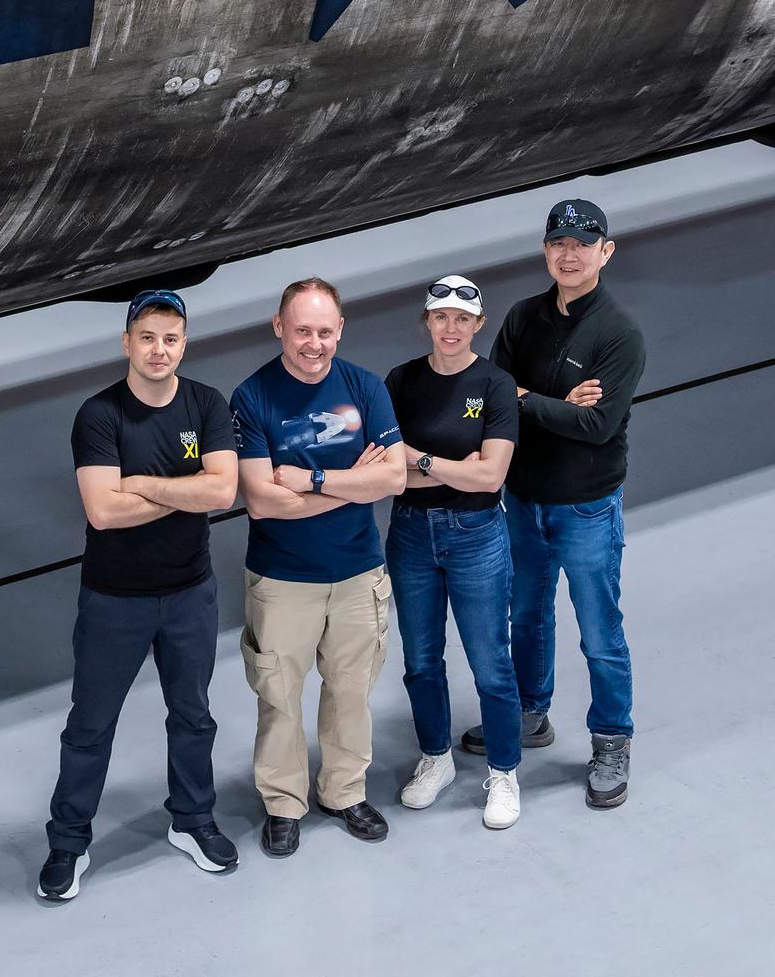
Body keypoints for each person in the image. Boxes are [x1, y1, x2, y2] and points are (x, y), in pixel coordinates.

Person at [37, 289, 239, 902]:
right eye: (147, 337)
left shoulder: (207, 403)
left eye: (171, 338)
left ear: (184, 344)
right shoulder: (99, 415)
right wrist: (186, 486)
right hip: (114, 599)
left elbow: (223, 494)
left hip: (189, 593)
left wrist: (142, 485)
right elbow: (102, 512)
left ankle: (192, 819)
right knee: (90, 727)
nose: (159, 349)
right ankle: (68, 843)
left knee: (193, 716)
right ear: (127, 342)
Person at [461, 199, 646, 811]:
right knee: (526, 616)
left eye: (583, 242)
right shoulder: (522, 317)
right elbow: (494, 401)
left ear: (605, 251)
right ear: (546, 252)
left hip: (586, 505)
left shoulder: (618, 333)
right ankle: (529, 715)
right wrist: (556, 401)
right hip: (524, 497)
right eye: (558, 242)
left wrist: (531, 398)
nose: (569, 253)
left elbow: (595, 426)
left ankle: (611, 738)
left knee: (599, 631)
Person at [231, 277, 407, 858]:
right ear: (279, 327)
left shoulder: (364, 386)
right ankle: (283, 804)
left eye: (324, 331)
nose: (314, 343)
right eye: (302, 330)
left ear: (340, 330)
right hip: (282, 580)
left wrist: (311, 481)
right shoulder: (252, 397)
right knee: (279, 697)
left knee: (351, 690)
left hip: (358, 573)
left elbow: (396, 477)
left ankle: (343, 791)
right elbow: (259, 499)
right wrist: (357, 486)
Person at [384, 275, 523, 829]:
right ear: (427, 321)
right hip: (412, 535)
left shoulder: (494, 384)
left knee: (491, 662)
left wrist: (419, 462)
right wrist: (446, 470)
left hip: (477, 535)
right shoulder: (401, 381)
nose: (450, 327)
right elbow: (386, 474)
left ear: (477, 325)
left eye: (462, 319)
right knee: (420, 660)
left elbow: (490, 478)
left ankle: (505, 772)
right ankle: (436, 757)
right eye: (440, 317)